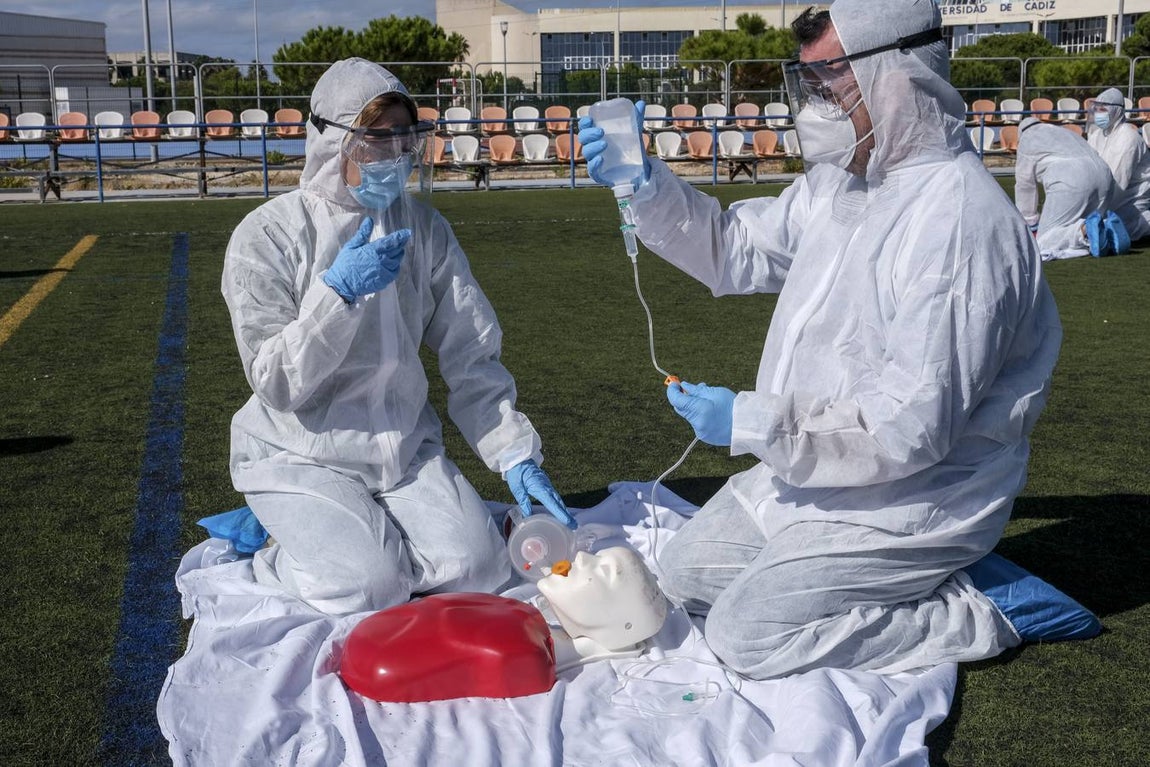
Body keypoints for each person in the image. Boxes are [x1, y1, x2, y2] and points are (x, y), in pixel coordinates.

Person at [577, 1, 1062, 679]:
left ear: (898, 74)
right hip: (820, 468)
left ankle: (984, 604)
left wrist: (751, 419)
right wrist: (644, 181)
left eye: (831, 78)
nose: (818, 102)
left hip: (918, 496)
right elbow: (734, 248)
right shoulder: (845, 184)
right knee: (683, 576)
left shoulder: (959, 223)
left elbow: (911, 430)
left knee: (746, 635)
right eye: (809, 81)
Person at [222, 58, 572, 616]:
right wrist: (336, 295)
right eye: (376, 141)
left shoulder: (424, 228)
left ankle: (367, 531)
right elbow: (276, 383)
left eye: (404, 140)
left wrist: (514, 456)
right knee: (367, 588)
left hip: (402, 447)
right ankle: (278, 547)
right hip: (303, 451)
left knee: (479, 570)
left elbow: (470, 348)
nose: (395, 157)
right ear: (330, 142)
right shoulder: (267, 235)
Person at [1013, 116, 1124, 259]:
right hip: (1105, 174)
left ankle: (1083, 231)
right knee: (1092, 220)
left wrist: (1029, 222)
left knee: (1043, 242)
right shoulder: (1064, 132)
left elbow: (1025, 185)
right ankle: (1105, 226)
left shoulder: (1027, 139)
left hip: (1071, 177)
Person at [1087, 87, 1150, 244]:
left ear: (1116, 111)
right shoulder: (1096, 136)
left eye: (1102, 109)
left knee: (1116, 231)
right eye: (1096, 109)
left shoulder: (1129, 138)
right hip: (1106, 197)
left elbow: (1118, 182)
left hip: (1129, 199)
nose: (1098, 114)